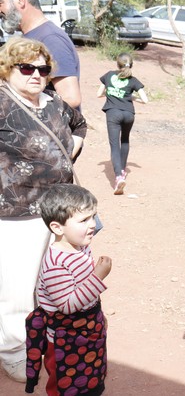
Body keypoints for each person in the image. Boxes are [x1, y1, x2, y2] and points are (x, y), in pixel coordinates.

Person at [0, 37, 87, 383]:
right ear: (9, 68)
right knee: (17, 287)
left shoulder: (53, 102)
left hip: (57, 211)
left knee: (48, 281)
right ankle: (13, 350)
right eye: (27, 68)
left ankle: (43, 339)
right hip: (15, 212)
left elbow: (79, 125)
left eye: (43, 69)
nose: (36, 75)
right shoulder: (3, 103)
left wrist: (71, 152)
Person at [25, 184, 110, 395]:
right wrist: (98, 276)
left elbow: (85, 292)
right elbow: (67, 305)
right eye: (83, 220)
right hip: (65, 342)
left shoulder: (80, 247)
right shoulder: (56, 264)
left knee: (91, 380)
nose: (93, 225)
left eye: (93, 216)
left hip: (87, 330)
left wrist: (98, 316)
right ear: (57, 228)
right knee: (65, 385)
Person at [0, 0, 81, 110]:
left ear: (20, 0)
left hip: (45, 130)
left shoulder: (51, 39)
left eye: (0, 3)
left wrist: (26, 116)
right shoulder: (29, 37)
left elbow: (70, 98)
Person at [97, 52, 148, 195]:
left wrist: (111, 93)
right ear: (131, 65)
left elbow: (99, 94)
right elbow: (145, 100)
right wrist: (130, 97)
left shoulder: (108, 75)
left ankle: (118, 177)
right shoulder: (133, 80)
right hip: (129, 114)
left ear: (117, 64)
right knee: (124, 141)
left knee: (114, 146)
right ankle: (123, 171)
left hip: (113, 114)